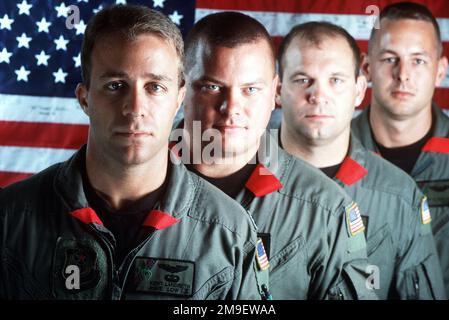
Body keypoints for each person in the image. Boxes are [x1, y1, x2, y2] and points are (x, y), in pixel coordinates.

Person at [0, 5, 261, 300]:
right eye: (116, 86)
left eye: (155, 87)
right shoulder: (11, 218)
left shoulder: (230, 232)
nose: (135, 108)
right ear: (85, 99)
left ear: (178, 98)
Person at [174, 11, 377, 299]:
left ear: (274, 93)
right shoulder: (127, 183)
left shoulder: (324, 212)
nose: (231, 108)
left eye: (250, 89)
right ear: (181, 88)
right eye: (212, 87)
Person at [276, 21, 446, 299]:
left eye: (335, 80)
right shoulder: (237, 178)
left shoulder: (399, 197)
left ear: (358, 90)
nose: (318, 96)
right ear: (278, 89)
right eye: (302, 79)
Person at [351, 1, 449, 295]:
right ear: (367, 67)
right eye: (390, 59)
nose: (403, 74)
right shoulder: (330, 160)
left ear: (440, 71)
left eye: (418, 60)